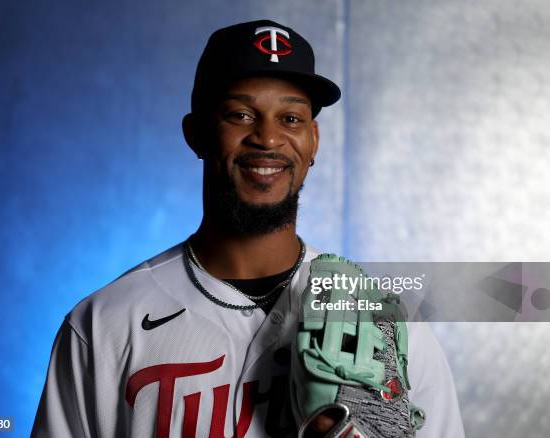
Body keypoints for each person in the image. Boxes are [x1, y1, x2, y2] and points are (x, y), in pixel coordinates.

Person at [32, 20, 465, 437]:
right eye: (240, 115)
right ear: (196, 133)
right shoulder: (105, 323)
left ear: (314, 141)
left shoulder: (384, 323)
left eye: (291, 119)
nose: (268, 138)